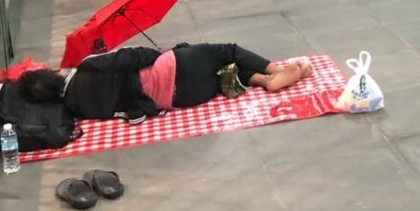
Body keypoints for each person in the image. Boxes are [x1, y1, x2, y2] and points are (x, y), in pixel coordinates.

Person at [17, 44, 313, 124]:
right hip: (174, 69)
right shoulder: (86, 67)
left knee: (221, 72)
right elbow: (135, 57)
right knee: (228, 52)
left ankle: (263, 80)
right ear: (51, 75)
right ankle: (277, 70)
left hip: (183, 98)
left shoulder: (78, 109)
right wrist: (164, 53)